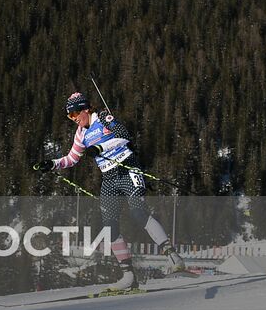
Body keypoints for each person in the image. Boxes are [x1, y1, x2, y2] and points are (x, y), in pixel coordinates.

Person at [34, 92, 186, 291]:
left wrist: (99, 147)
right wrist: (52, 164)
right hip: (109, 178)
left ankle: (173, 256)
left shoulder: (104, 117)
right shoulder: (81, 133)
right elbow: (72, 158)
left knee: (138, 212)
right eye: (70, 117)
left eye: (75, 114)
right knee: (110, 226)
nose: (74, 119)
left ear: (86, 109)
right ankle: (129, 276)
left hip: (127, 167)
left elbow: (124, 137)